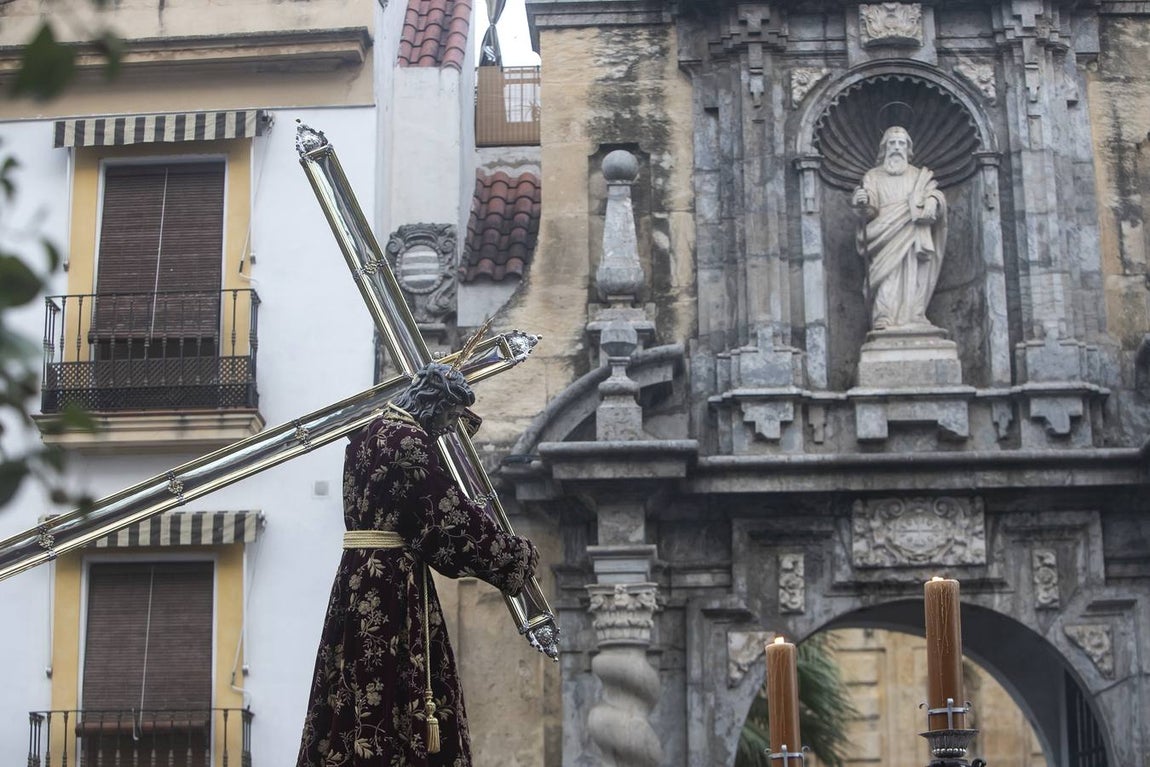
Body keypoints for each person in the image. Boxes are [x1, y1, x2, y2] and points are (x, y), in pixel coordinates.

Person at [297, 361, 539, 767]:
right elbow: (447, 521)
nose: (448, 427)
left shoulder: (365, 435)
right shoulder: (409, 441)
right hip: (392, 584)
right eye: (448, 416)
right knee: (395, 691)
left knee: (350, 690)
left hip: (355, 582)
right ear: (432, 403)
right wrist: (513, 557)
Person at [852, 125, 948, 331]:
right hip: (884, 233)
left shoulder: (918, 176)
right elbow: (868, 210)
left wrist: (932, 201)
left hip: (913, 232)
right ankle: (883, 317)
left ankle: (915, 315)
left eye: (901, 143)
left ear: (908, 149)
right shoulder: (873, 176)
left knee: (914, 277)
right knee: (888, 277)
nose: (897, 148)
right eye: (892, 143)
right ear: (885, 148)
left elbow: (934, 194)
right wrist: (862, 201)